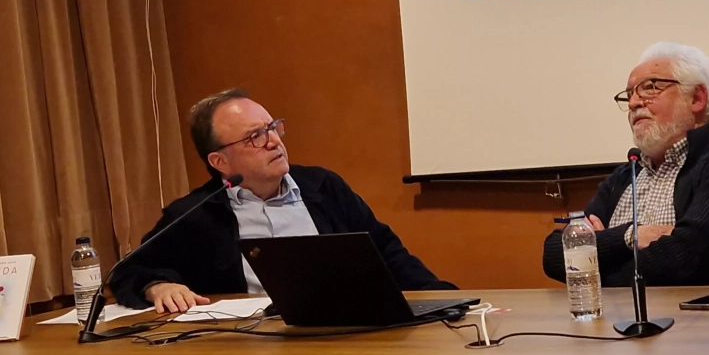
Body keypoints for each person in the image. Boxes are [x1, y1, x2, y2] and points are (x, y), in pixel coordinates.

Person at [110, 89, 454, 313]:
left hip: (345, 335)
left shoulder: (323, 187)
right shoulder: (196, 214)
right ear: (220, 161)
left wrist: (444, 299)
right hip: (250, 352)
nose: (274, 141)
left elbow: (387, 253)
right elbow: (129, 271)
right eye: (255, 137)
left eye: (272, 127)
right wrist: (158, 286)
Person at [542, 42, 709, 287]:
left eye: (650, 88)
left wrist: (595, 264)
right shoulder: (624, 177)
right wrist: (630, 236)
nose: (633, 103)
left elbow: (683, 261)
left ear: (697, 98)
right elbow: (554, 253)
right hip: (621, 312)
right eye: (629, 94)